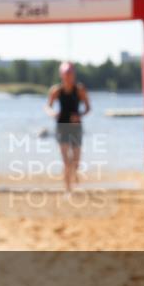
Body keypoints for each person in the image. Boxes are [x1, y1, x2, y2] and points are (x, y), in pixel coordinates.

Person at [45, 62, 91, 192]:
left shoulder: (80, 89)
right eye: (66, 74)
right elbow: (47, 106)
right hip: (62, 127)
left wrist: (80, 115)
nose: (69, 77)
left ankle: (74, 174)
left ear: (74, 75)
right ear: (62, 75)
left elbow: (88, 108)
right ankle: (68, 189)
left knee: (75, 161)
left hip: (76, 127)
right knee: (66, 161)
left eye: (71, 74)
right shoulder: (57, 90)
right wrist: (52, 113)